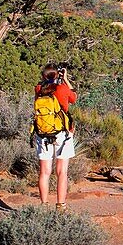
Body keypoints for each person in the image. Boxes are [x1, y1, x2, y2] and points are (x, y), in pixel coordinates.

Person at [33, 64, 77, 210]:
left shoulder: (38, 89)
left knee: (44, 172)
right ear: (57, 75)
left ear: (43, 76)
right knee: (61, 171)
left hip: (42, 134)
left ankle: (44, 205)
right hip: (62, 134)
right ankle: (60, 205)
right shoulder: (62, 88)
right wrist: (65, 79)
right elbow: (74, 98)